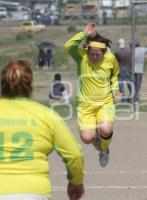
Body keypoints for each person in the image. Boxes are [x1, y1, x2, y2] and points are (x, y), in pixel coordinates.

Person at [0, 59, 84, 200]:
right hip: (33, 191)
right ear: (30, 85)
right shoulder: (46, 115)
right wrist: (76, 182)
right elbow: (74, 154)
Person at [64, 23, 120, 167]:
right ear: (87, 51)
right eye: (92, 53)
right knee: (87, 138)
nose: (94, 56)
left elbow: (114, 76)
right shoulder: (81, 57)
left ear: (104, 52)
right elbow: (68, 46)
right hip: (85, 105)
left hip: (105, 102)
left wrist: (116, 90)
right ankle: (96, 137)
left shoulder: (110, 59)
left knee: (106, 129)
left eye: (98, 54)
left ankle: (104, 149)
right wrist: (83, 34)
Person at [114, 38, 132, 102]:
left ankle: (124, 100)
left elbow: (115, 61)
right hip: (128, 69)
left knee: (121, 86)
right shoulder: (129, 51)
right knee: (130, 85)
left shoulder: (117, 52)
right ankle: (132, 98)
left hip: (120, 70)